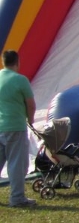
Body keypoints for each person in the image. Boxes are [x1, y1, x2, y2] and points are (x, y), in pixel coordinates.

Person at [0, 49, 37, 207]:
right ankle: (17, 198)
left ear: (3, 62)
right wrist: (30, 120)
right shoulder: (20, 80)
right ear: (17, 62)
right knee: (16, 164)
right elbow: (30, 104)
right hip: (15, 126)